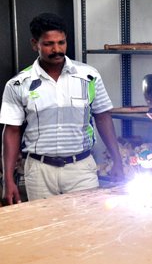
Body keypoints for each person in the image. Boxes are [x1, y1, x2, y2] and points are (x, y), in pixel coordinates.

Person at [0, 13, 124, 205]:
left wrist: (117, 159)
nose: (57, 49)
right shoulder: (18, 84)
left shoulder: (89, 76)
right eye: (49, 44)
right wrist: (8, 180)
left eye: (61, 42)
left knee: (87, 229)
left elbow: (103, 117)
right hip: (39, 172)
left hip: (81, 169)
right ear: (35, 44)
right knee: (46, 230)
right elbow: (12, 131)